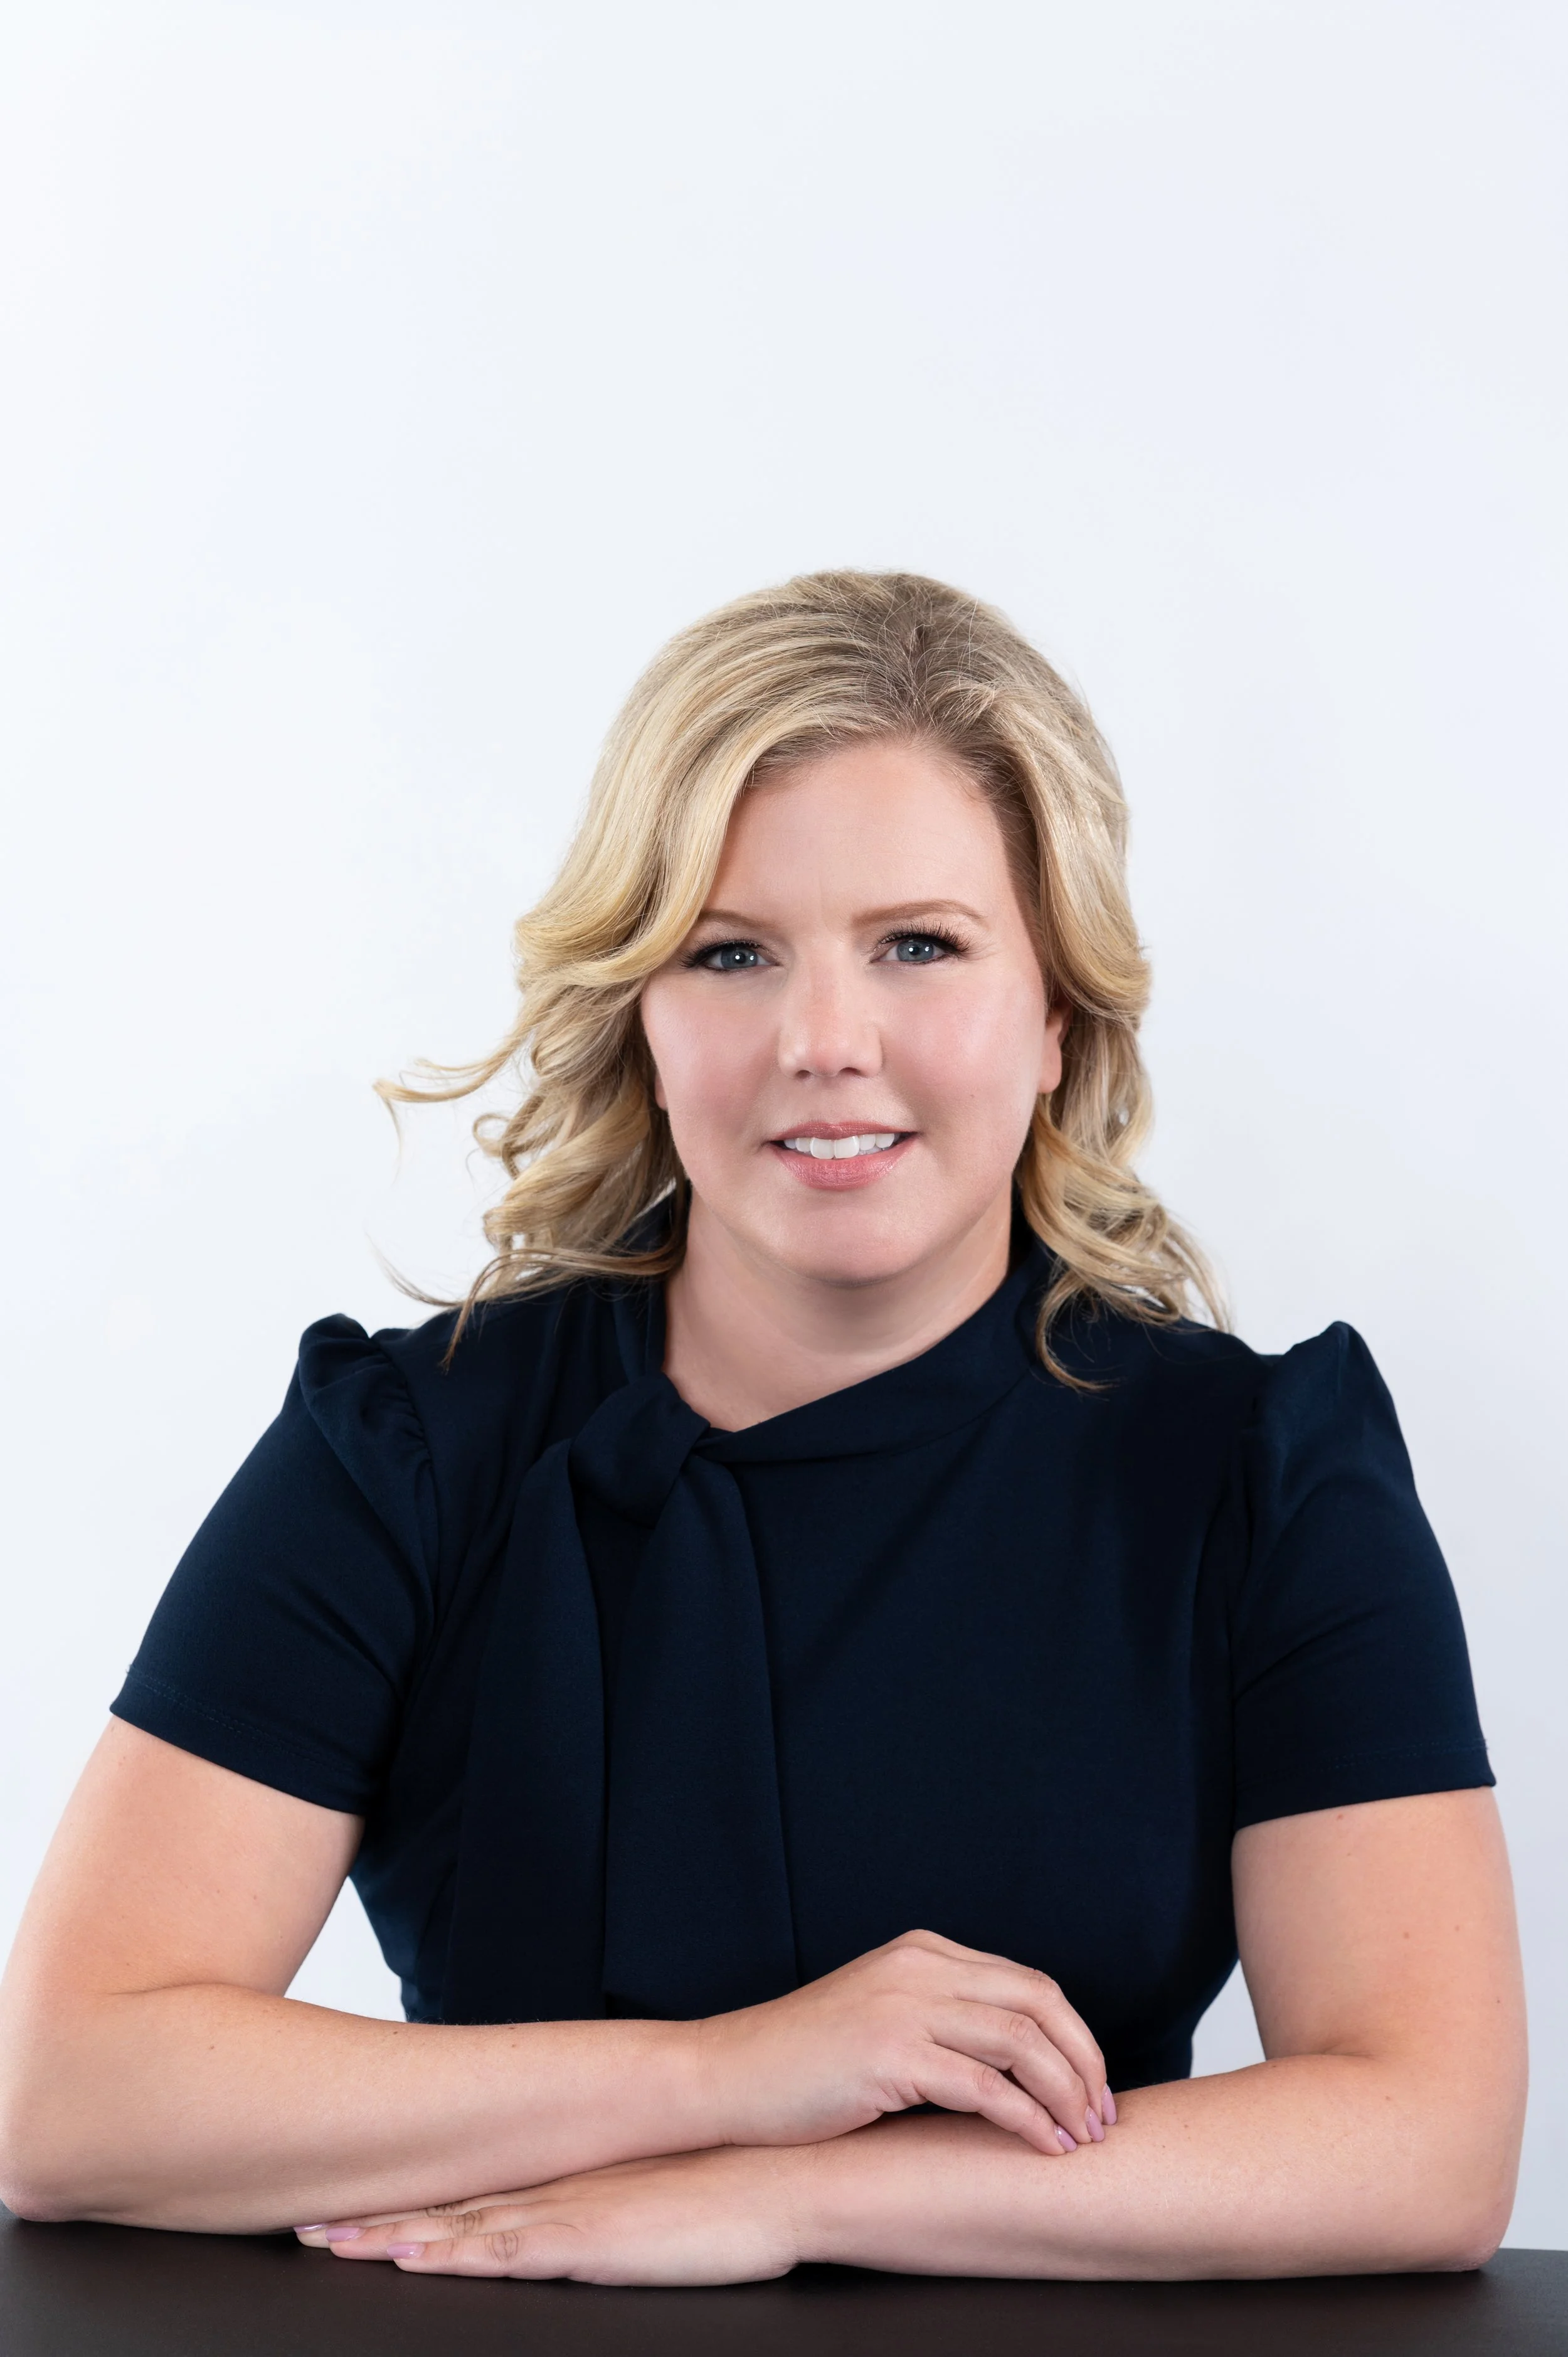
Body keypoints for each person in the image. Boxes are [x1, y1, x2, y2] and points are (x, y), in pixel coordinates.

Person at [0, 573, 1525, 2284]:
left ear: (1056, 1017)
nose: (821, 1042)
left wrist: (790, 2192)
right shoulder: (406, 1451)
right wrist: (727, 2075)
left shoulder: (1264, 1472)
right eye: (729, 953)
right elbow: (69, 2091)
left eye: (918, 945)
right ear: (641, 1021)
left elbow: (1427, 2137)